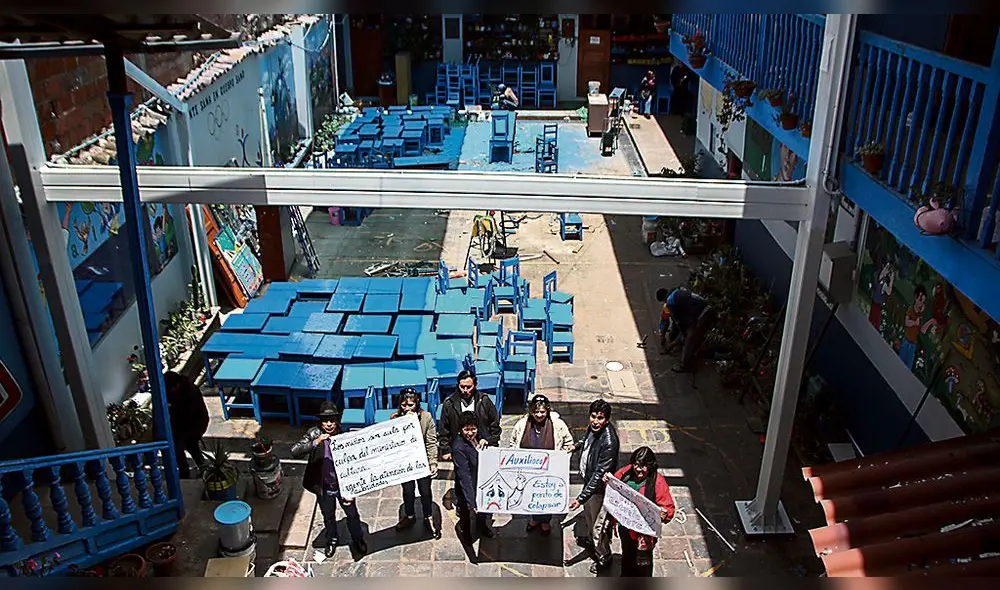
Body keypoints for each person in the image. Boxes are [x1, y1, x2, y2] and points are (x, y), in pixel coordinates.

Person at [291, 401, 367, 558]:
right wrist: (316, 442)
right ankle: (332, 539)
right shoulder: (313, 433)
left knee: (352, 514)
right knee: (328, 516)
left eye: (332, 420)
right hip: (324, 486)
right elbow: (295, 451)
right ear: (320, 422)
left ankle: (357, 538)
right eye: (326, 421)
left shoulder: (344, 434)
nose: (329, 424)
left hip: (343, 485)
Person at [506, 394, 575, 535]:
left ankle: (545, 521)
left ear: (548, 410)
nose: (539, 415)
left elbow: (568, 443)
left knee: (545, 496)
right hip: (528, 469)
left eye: (542, 412)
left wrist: (563, 458)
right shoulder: (521, 424)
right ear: (531, 411)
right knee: (530, 494)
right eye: (536, 412)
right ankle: (534, 519)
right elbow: (513, 441)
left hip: (550, 470)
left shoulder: (558, 425)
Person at [604, 447, 675, 577]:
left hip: (644, 534)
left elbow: (668, 508)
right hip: (625, 527)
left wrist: (664, 514)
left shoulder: (657, 482)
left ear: (650, 466)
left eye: (643, 466)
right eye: (636, 464)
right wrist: (608, 482)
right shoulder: (625, 473)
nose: (638, 469)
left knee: (643, 563)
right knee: (627, 556)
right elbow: (614, 484)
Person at [567, 399, 620, 574]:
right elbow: (586, 440)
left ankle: (604, 556)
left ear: (607, 420)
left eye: (600, 418)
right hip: (589, 482)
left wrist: (581, 498)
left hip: (599, 490)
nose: (595, 421)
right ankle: (591, 540)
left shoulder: (609, 442)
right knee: (589, 518)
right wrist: (576, 446)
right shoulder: (594, 428)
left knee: (599, 526)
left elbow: (599, 474)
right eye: (593, 416)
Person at [391, 388, 441, 539]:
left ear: (416, 404)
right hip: (405, 463)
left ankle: (428, 516)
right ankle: (409, 515)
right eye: (404, 405)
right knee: (408, 491)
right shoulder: (394, 418)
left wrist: (432, 462)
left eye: (411, 405)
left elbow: (431, 441)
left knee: (425, 491)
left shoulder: (426, 418)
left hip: (422, 462)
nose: (407, 408)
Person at [438, 370, 501, 461]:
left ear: (475, 385)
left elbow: (495, 425)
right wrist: (445, 450)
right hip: (459, 449)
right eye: (462, 387)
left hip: (482, 447)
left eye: (469, 387)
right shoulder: (450, 403)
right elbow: (444, 429)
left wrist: (490, 441)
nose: (465, 390)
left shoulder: (484, 401)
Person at [452, 411, 495, 543]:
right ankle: (466, 533)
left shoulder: (480, 435)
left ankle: (481, 526)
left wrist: (485, 440)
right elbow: (464, 476)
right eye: (466, 430)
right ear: (460, 430)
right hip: (466, 484)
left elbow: (491, 439)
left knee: (483, 507)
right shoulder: (458, 447)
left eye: (473, 429)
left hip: (481, 480)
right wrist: (471, 501)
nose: (470, 433)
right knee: (465, 509)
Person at [657, 287, 716, 374]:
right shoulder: (676, 293)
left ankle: (684, 365)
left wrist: (672, 344)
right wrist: (662, 333)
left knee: (690, 337)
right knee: (684, 333)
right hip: (704, 309)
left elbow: (684, 329)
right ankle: (693, 350)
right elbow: (665, 319)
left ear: (663, 300)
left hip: (702, 314)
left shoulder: (671, 303)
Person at [163, 371, 209, 479]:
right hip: (180, 425)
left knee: (186, 446)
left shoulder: (190, 392)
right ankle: (194, 469)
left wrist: (172, 409)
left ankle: (194, 469)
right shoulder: (171, 391)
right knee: (182, 447)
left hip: (195, 423)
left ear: (177, 385)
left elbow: (187, 413)